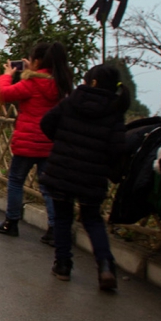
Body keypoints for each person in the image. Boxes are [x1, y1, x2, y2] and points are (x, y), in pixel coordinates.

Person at [38, 63, 129, 290]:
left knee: (62, 218)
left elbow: (46, 122)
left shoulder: (72, 101)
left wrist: (61, 141)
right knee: (92, 220)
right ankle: (106, 266)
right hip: (92, 176)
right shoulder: (115, 110)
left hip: (61, 169)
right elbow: (118, 148)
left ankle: (63, 265)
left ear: (93, 82)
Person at [0, 41, 72, 242]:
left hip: (27, 144)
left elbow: (3, 94)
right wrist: (33, 69)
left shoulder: (31, 83)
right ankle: (54, 229)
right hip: (50, 144)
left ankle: (12, 222)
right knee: (47, 187)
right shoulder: (61, 84)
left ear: (36, 61)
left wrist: (8, 75)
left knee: (16, 181)